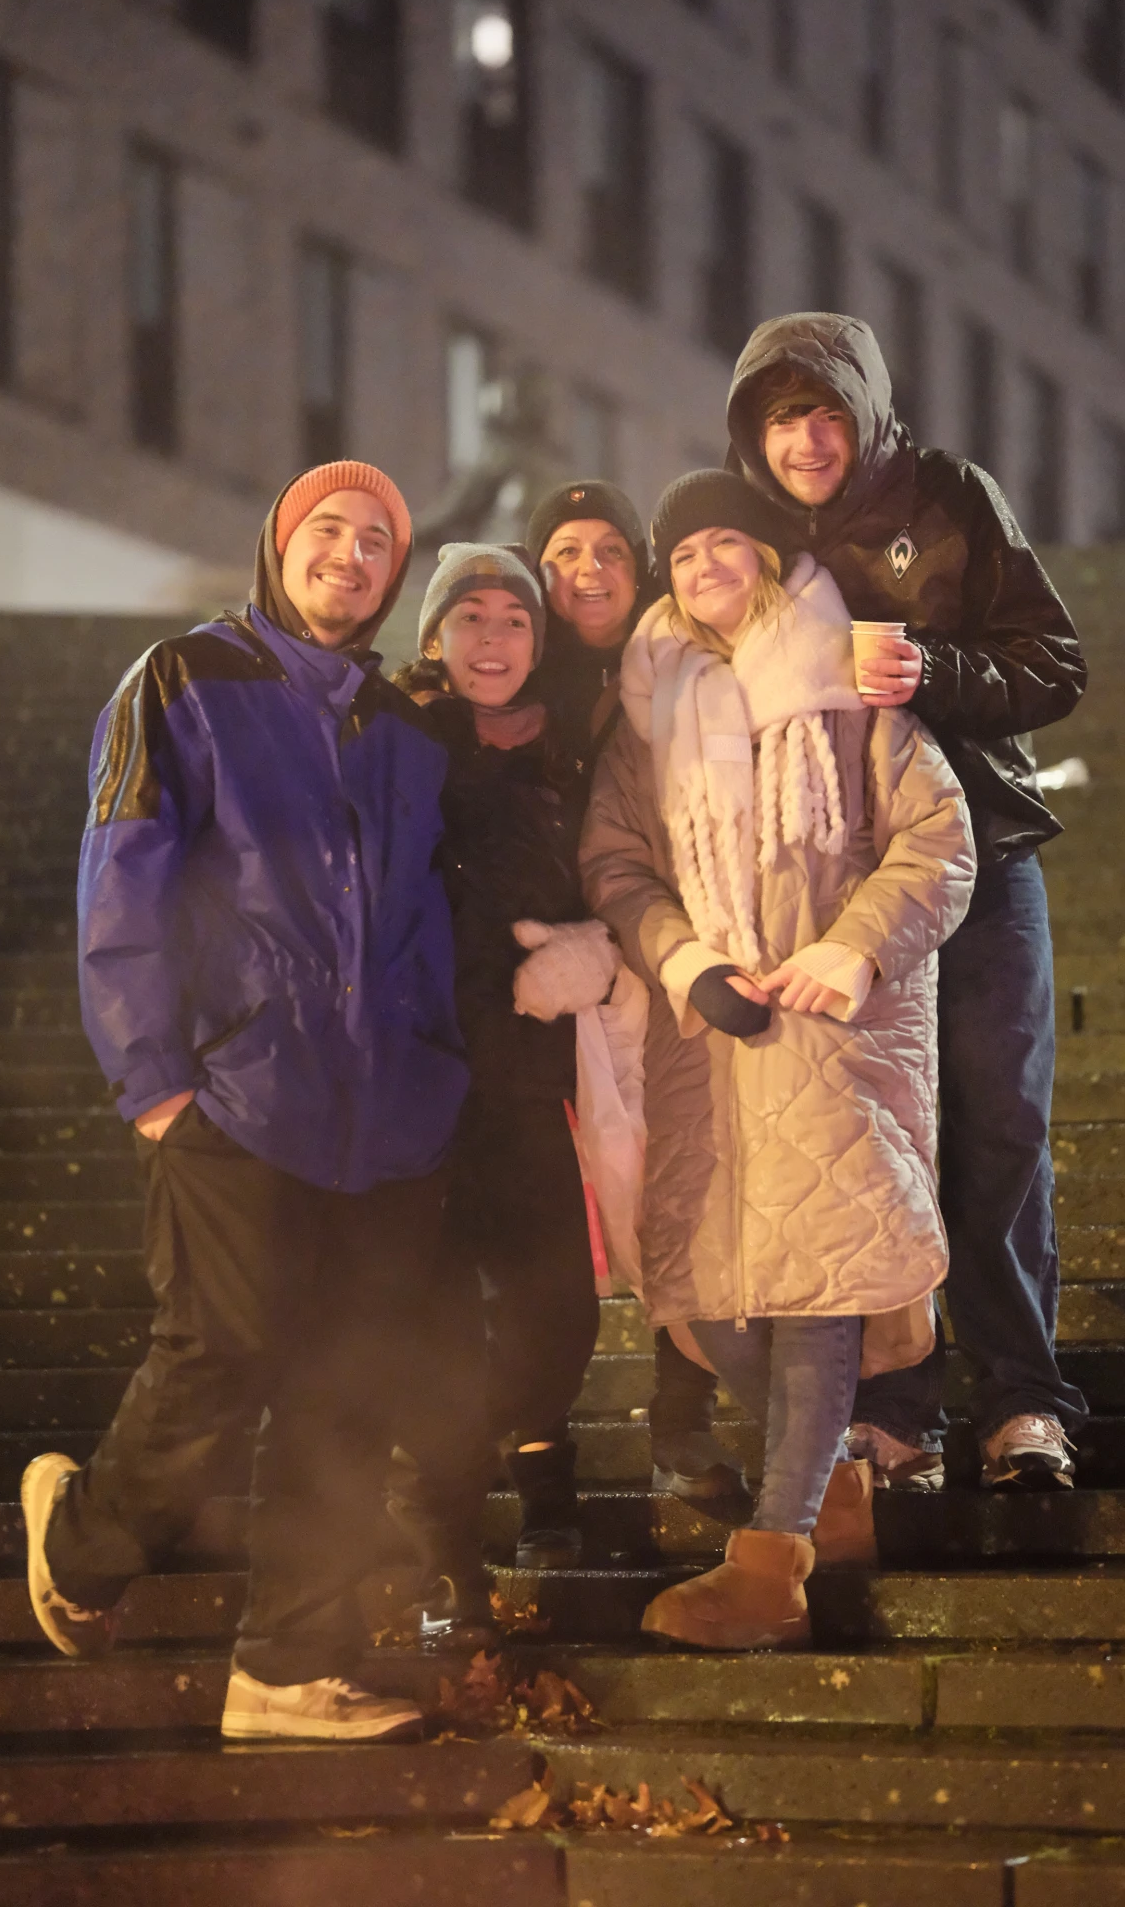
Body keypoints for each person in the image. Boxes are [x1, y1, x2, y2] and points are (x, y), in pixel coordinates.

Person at [20, 461, 481, 1742]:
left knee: (352, 1387)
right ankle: (88, 1540)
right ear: (278, 549)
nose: (350, 552)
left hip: (387, 1121)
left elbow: (430, 918)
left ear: (396, 575)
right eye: (326, 529)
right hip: (235, 1094)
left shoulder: (400, 724)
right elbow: (124, 874)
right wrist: (153, 1077)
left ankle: (289, 1665)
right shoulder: (186, 678)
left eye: (377, 540)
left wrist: (436, 1076)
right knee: (220, 1351)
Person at [580, 471, 975, 1648]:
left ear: (763, 554)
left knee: (818, 1288)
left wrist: (853, 949)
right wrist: (686, 958)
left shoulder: (847, 680)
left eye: (724, 543)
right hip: (709, 1027)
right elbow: (614, 863)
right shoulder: (645, 707)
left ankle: (771, 1559)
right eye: (683, 551)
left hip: (834, 1022)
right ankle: (837, 1483)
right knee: (712, 1302)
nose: (704, 566)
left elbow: (938, 836)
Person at [724, 311, 1089, 1491]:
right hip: (834, 900)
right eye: (783, 417)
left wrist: (937, 670)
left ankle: (1023, 1401)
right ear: (753, 434)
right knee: (878, 1146)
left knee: (997, 1123)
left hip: (978, 859)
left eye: (829, 410)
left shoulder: (947, 497)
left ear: (868, 411)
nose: (809, 439)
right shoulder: (745, 538)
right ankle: (894, 1413)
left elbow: (1054, 663)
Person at [386, 542, 617, 1626]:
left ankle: (518, 1456)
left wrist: (598, 944)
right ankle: (443, 1549)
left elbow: (628, 863)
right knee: (429, 1318)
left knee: (557, 1305)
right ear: (433, 636)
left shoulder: (574, 745)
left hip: (532, 1068)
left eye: (513, 620)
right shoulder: (395, 738)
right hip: (420, 1069)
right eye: (468, 618)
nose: (492, 640)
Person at [526, 481, 749, 1514]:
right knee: (548, 1225)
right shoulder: (506, 664)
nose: (590, 568)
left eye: (611, 547)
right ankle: (531, 1451)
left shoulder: (670, 664)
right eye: (564, 549)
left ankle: (678, 1420)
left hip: (659, 959)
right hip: (531, 981)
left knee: (675, 1188)